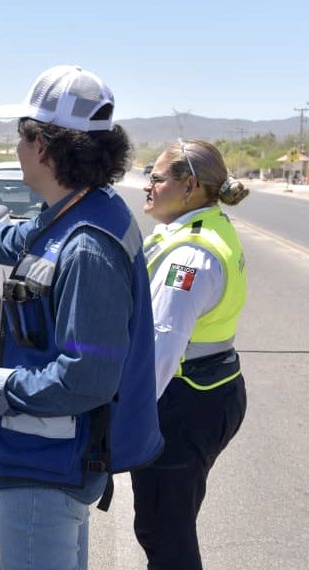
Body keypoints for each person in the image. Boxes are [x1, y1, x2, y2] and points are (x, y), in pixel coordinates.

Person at [0, 64, 163, 570]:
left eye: (21, 136)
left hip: (47, 467)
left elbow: (86, 378)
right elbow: (11, 242)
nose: (16, 148)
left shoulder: (89, 246)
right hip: (49, 457)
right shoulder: (81, 210)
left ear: (43, 145)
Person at [132, 139, 249, 570]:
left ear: (190, 186)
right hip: (211, 390)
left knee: (165, 533)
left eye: (157, 178)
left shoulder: (190, 256)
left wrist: (129, 419)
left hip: (183, 403)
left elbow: (162, 347)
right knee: (170, 523)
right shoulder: (203, 226)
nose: (148, 185)